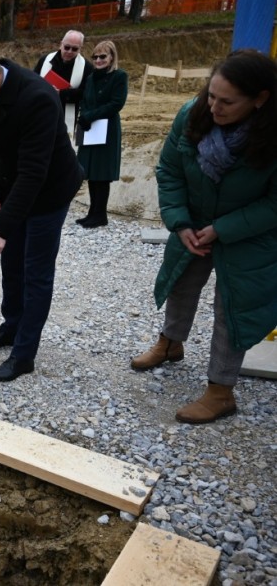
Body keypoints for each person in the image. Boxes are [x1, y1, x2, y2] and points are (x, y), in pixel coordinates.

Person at [130, 49, 277, 424]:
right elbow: (169, 170)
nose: (215, 107)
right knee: (181, 281)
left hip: (250, 234)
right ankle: (170, 344)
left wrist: (223, 229)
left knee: (233, 305)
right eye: (211, 95)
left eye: (227, 101)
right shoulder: (191, 116)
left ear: (260, 99)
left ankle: (221, 390)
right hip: (193, 223)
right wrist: (180, 223)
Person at [0, 42, 83, 382]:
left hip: (48, 192)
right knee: (11, 265)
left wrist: (1, 227)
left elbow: (34, 174)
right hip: (14, 186)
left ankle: (24, 354)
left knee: (35, 273)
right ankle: (10, 328)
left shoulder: (38, 98)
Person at [76, 40, 128, 228]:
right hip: (90, 129)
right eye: (95, 57)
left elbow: (116, 103)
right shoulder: (91, 77)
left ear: (111, 57)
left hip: (107, 129)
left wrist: (89, 115)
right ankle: (93, 212)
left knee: (102, 173)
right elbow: (85, 100)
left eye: (102, 56)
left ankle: (100, 214)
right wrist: (84, 116)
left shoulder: (119, 76)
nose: (98, 60)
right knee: (90, 171)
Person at [34, 30, 91, 140]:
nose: (69, 51)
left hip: (67, 113)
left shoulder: (86, 67)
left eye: (74, 49)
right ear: (61, 44)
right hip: (42, 111)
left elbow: (86, 93)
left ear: (80, 49)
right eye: (67, 47)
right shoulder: (45, 60)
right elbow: (32, 82)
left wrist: (61, 93)